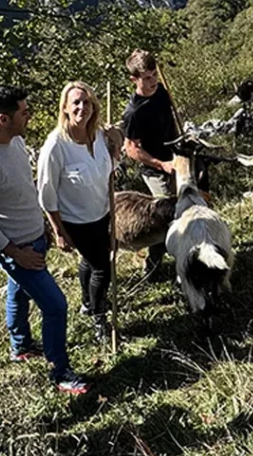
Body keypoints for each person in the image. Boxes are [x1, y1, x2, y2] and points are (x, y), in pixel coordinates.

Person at [0, 84, 89, 394]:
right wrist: (15, 253)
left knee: (18, 293)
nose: (29, 114)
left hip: (33, 238)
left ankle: (20, 346)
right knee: (56, 306)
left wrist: (44, 223)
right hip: (17, 249)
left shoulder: (14, 141)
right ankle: (60, 373)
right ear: (4, 119)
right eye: (24, 111)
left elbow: (21, 190)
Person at [37, 81, 122, 344]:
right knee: (102, 268)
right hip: (76, 221)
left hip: (102, 211)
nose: (82, 108)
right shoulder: (55, 147)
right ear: (64, 107)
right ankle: (99, 317)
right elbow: (46, 195)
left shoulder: (98, 136)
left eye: (86, 102)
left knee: (90, 260)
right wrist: (58, 231)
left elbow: (108, 168)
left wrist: (116, 144)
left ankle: (87, 303)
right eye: (76, 102)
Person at [121, 49, 180, 275]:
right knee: (164, 218)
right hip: (155, 169)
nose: (153, 80)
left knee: (184, 206)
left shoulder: (162, 92)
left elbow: (169, 121)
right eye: (146, 77)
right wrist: (161, 164)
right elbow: (132, 149)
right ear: (134, 79)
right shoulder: (134, 112)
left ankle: (182, 253)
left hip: (175, 160)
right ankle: (153, 268)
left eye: (154, 74)